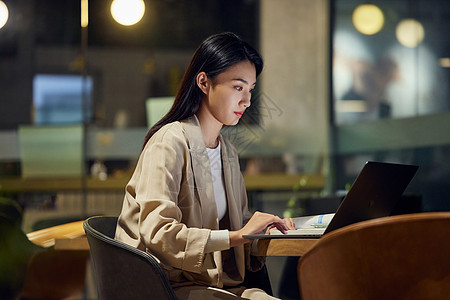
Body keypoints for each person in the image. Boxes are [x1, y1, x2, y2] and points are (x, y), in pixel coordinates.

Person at [115, 32, 295, 299]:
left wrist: (265, 231)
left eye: (250, 90)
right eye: (238, 87)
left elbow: (235, 226)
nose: (246, 101)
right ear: (203, 82)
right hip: (165, 287)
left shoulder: (227, 152)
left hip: (214, 284)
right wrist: (238, 236)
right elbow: (158, 232)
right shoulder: (168, 142)